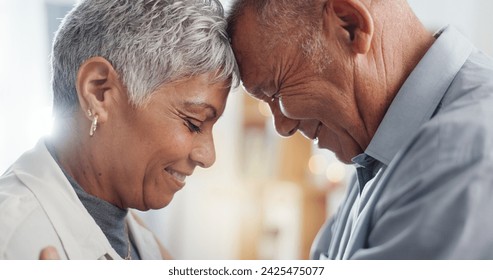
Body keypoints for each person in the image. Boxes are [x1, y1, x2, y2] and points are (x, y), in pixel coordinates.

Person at [227, 0, 493, 259]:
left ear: (350, 26)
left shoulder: (461, 149)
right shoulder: (378, 153)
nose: (282, 127)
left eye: (275, 91)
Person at [0, 0, 238, 260]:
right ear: (99, 91)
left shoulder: (135, 234)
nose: (208, 156)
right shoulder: (12, 241)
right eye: (193, 123)